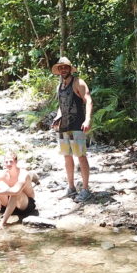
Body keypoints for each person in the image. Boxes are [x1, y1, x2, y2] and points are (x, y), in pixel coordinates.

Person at [51, 56, 93, 201]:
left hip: (77, 125)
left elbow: (88, 100)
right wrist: (58, 117)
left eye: (65, 67)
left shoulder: (78, 82)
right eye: (60, 68)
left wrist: (87, 119)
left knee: (81, 156)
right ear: (58, 70)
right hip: (63, 127)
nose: (63, 69)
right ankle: (71, 187)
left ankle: (86, 189)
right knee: (67, 157)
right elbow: (62, 104)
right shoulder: (60, 86)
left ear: (70, 68)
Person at [0, 153, 38, 226]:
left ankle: (2, 223)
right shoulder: (2, 173)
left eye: (11, 161)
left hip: (25, 206)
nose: (8, 164)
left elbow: (15, 191)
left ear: (16, 162)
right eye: (6, 162)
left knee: (16, 193)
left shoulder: (23, 174)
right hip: (9, 206)